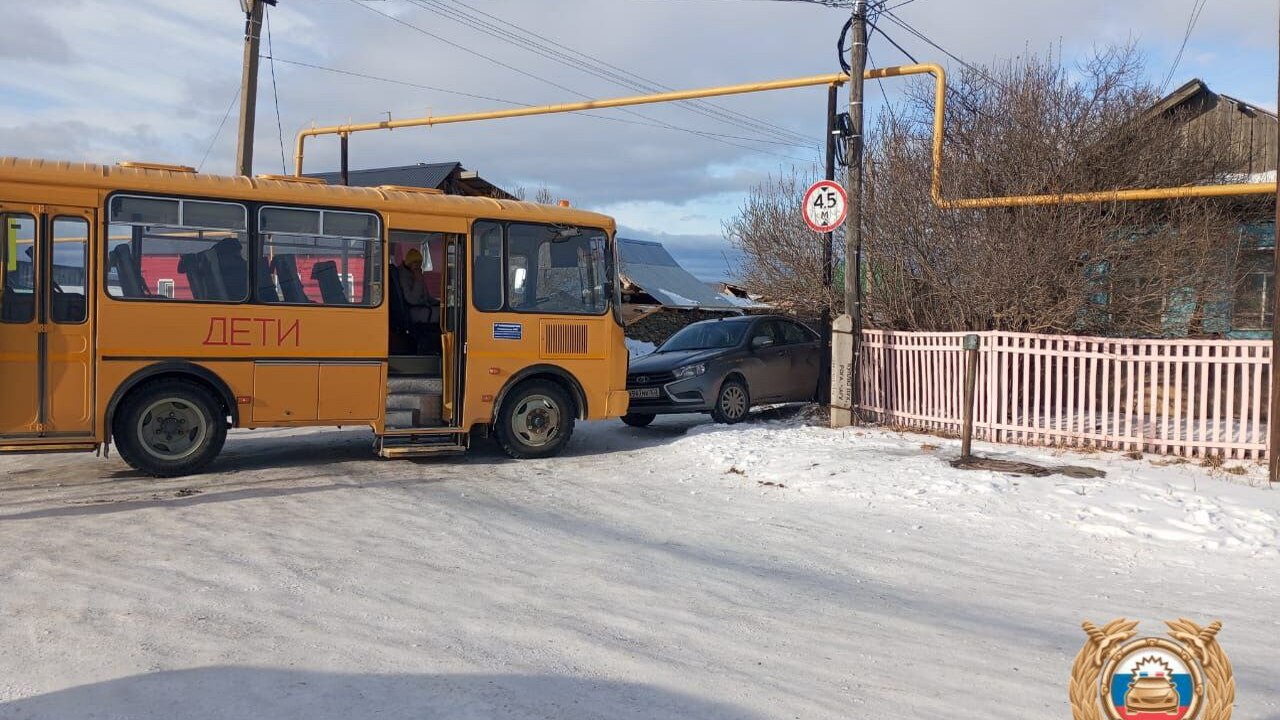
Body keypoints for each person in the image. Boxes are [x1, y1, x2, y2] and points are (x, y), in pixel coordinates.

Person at [397, 248, 439, 325]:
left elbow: (426, 297)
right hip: (412, 311)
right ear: (409, 263)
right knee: (444, 315)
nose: (418, 265)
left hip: (422, 307)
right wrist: (418, 281)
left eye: (420, 262)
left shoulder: (415, 273)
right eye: (415, 262)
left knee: (446, 310)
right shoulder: (404, 277)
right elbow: (412, 300)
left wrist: (439, 303)